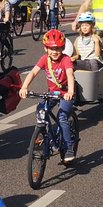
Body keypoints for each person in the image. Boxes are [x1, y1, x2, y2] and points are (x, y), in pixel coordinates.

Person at [20, 29, 77, 162]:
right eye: (51, 48)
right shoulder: (45, 59)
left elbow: (70, 75)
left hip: (65, 93)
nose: (54, 51)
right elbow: (33, 73)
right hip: (52, 93)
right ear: (46, 48)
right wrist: (24, 87)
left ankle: (68, 148)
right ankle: (45, 136)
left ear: (62, 48)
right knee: (40, 110)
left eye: (58, 48)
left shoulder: (66, 59)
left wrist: (70, 92)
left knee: (62, 117)